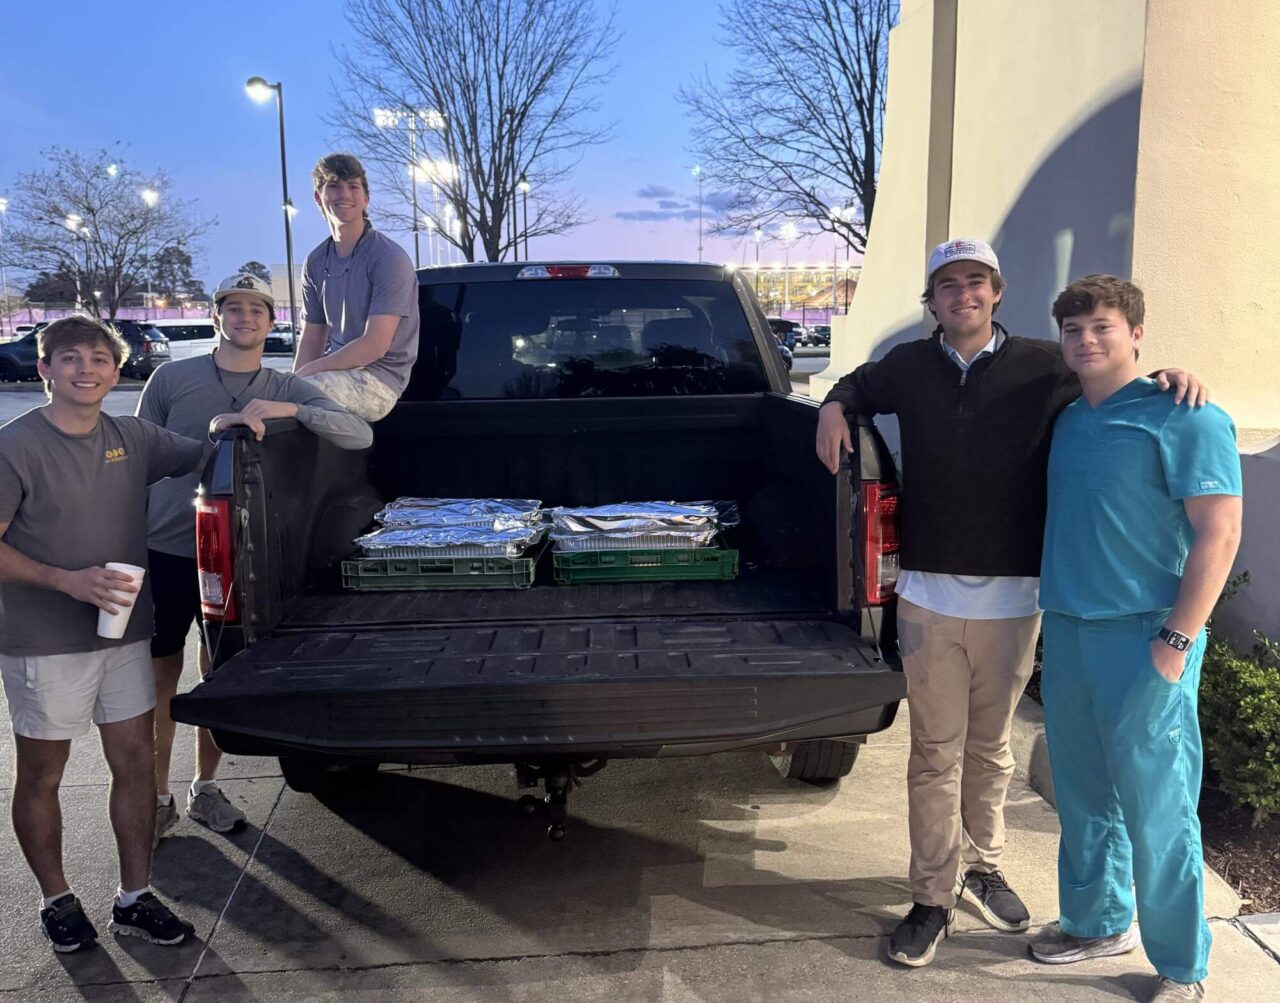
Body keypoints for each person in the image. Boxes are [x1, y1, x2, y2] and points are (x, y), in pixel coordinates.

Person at [814, 239, 1207, 969]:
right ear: (930, 299)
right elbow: (856, 387)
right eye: (946, 284)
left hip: (1018, 602)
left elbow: (1113, 376)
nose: (961, 293)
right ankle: (932, 897)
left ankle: (983, 863)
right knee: (934, 754)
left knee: (990, 750)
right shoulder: (906, 364)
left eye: (975, 281)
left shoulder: (1048, 364)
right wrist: (834, 406)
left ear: (996, 291)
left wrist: (1167, 375)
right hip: (929, 599)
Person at [1030, 275, 1241, 1002]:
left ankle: (1183, 968)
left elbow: (1220, 533)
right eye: (1074, 330)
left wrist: (1177, 641)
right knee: (1085, 797)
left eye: (1102, 327)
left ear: (1137, 332)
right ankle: (1094, 920)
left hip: (1147, 639)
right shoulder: (1068, 416)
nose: (1086, 340)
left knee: (1159, 808)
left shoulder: (1187, 414)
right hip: (1069, 632)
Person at [138, 272, 373, 843]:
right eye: (233, 308)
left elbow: (357, 433)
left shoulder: (283, 383)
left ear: (272, 322)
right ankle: (153, 794)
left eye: (257, 310)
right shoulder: (172, 377)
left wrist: (288, 409)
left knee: (216, 671)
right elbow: (136, 455)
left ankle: (204, 787)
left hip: (242, 559)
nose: (245, 318)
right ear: (217, 316)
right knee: (158, 674)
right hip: (169, 550)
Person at [0, 317, 202, 952]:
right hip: (42, 639)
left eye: (98, 359)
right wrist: (67, 582)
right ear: (45, 370)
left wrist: (249, 418)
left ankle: (135, 896)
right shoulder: (16, 445)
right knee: (43, 773)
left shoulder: (133, 435)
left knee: (135, 761)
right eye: (69, 359)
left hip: (124, 635)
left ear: (117, 372)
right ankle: (57, 899)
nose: (86, 369)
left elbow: (209, 453)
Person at [293, 152, 420, 421]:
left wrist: (308, 374)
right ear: (319, 197)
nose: (344, 194)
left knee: (296, 396)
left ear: (366, 198)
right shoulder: (315, 262)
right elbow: (312, 338)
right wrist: (294, 378)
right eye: (334, 186)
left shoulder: (387, 257)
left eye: (353, 186)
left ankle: (359, 441)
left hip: (379, 380)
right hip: (334, 373)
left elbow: (374, 345)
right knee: (277, 393)